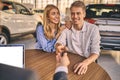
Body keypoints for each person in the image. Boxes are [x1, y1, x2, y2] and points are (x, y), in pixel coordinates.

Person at [55, 1, 101, 75]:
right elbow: (60, 42)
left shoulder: (93, 29)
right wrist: (58, 46)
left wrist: (85, 63)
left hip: (87, 62)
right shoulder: (67, 28)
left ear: (84, 14)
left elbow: (95, 52)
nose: (75, 16)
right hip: (70, 61)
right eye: (73, 13)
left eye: (78, 13)